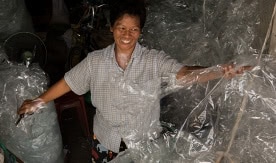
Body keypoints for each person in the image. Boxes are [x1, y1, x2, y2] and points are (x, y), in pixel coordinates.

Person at [18, 0, 251, 162]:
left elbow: (185, 73)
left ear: (140, 32)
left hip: (143, 141)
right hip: (106, 139)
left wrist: (219, 71)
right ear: (112, 28)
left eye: (133, 29)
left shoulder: (154, 60)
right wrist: (38, 102)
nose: (127, 35)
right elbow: (68, 82)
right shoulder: (95, 61)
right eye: (121, 28)